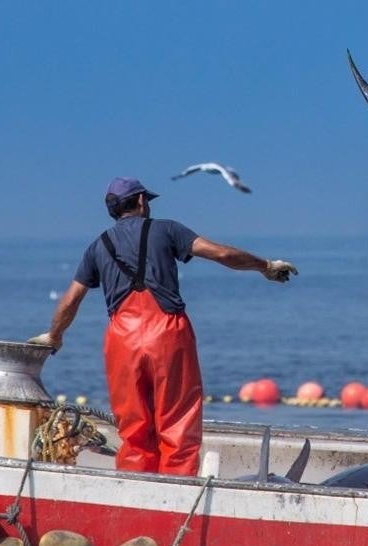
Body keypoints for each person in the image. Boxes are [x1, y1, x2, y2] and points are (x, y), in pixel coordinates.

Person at [28, 176, 297, 475]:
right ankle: (176, 495)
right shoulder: (167, 229)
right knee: (177, 421)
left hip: (122, 340)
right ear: (141, 201)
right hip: (167, 332)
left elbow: (71, 299)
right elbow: (222, 254)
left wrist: (54, 335)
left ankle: (135, 490)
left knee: (132, 426)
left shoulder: (97, 247)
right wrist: (265, 266)